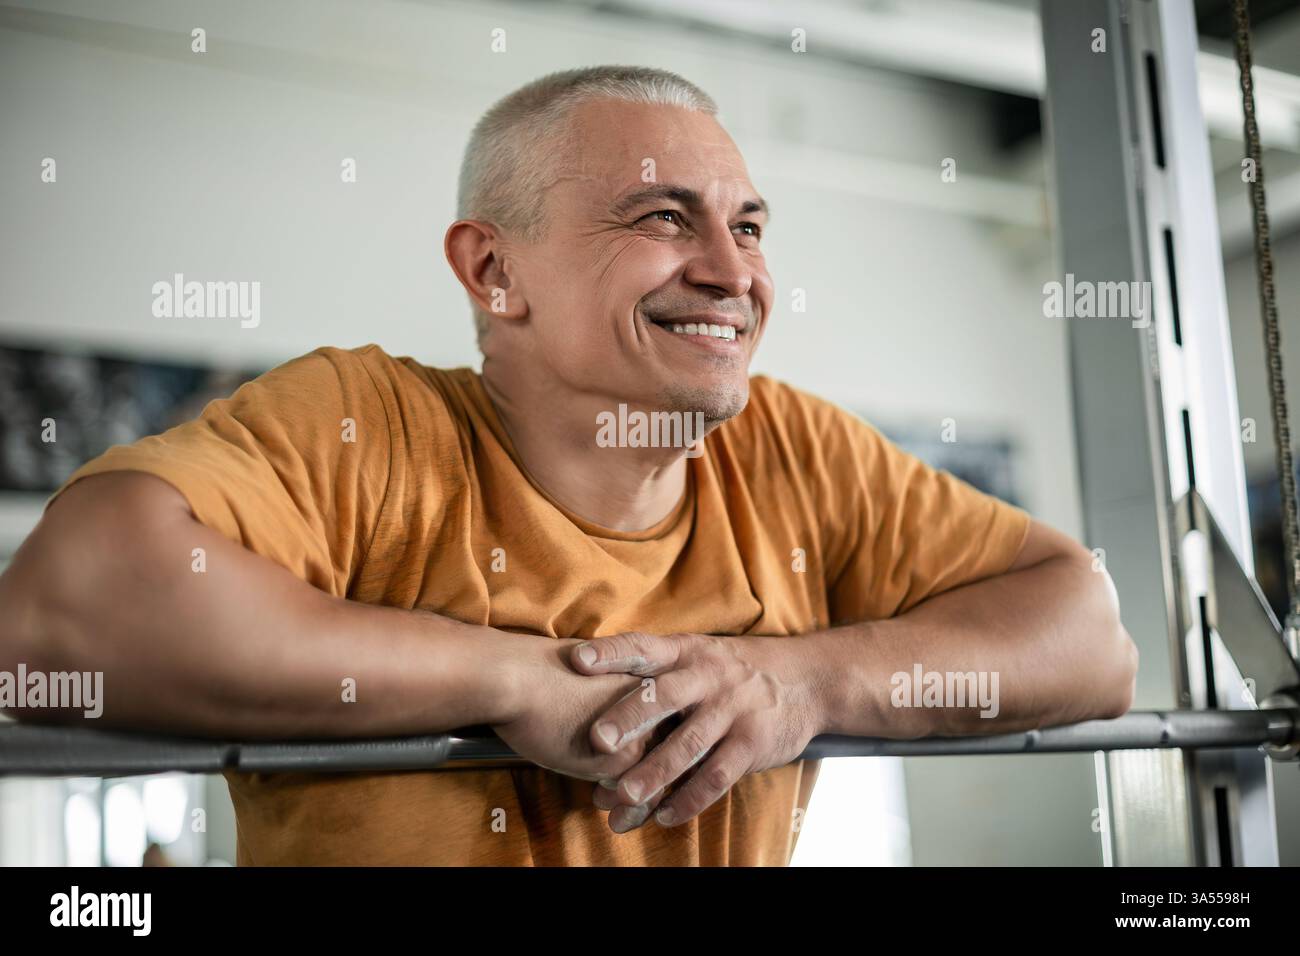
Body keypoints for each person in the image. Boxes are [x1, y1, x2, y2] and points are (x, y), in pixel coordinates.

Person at [0, 65, 1138, 866]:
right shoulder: (365, 423)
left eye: (747, 226)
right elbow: (59, 616)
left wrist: (805, 682)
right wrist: (512, 681)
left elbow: (1087, 633)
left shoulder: (790, 448)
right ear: (494, 269)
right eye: (661, 216)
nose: (729, 270)